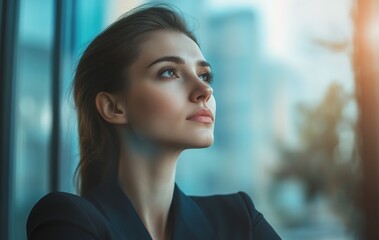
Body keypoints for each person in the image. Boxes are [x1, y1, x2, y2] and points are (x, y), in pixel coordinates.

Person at [26, 4, 281, 240]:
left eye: (205, 75)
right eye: (169, 72)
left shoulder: (239, 218)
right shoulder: (67, 219)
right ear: (113, 107)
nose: (205, 90)